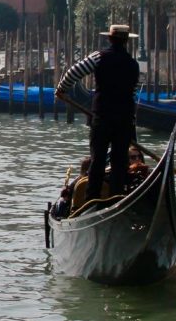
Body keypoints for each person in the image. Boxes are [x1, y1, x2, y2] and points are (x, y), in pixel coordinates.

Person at [55, 23, 141, 202]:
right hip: (124, 119)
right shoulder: (133, 65)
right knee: (119, 162)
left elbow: (74, 72)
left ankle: (92, 199)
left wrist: (62, 88)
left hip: (102, 117)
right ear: (126, 41)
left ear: (109, 39)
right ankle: (117, 198)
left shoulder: (98, 57)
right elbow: (132, 94)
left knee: (98, 159)